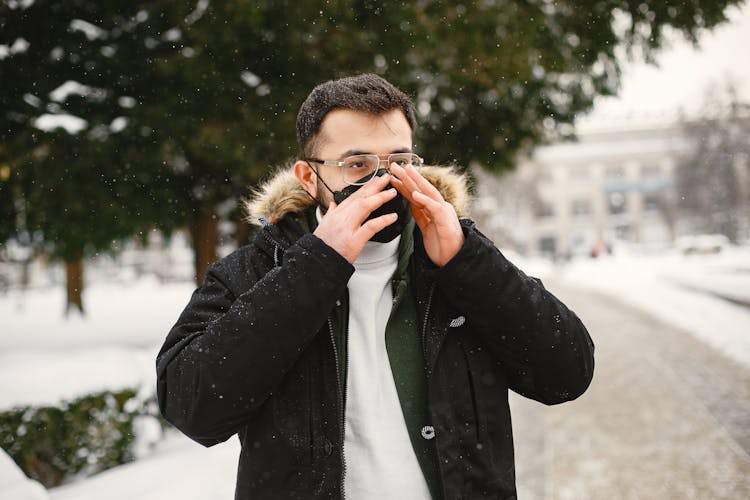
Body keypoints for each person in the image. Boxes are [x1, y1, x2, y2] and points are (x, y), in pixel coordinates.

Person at [156, 74, 595, 499]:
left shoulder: (454, 263)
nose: (384, 182)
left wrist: (466, 261)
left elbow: (567, 374)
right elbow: (192, 407)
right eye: (358, 165)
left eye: (399, 163)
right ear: (310, 177)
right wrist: (316, 266)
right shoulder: (256, 271)